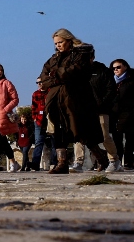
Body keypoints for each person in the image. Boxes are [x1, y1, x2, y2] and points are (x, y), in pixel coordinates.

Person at [39, 29, 107, 174]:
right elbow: (44, 77)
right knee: (58, 130)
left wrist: (56, 74)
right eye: (56, 43)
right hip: (56, 99)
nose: (58, 45)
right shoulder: (53, 58)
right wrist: (56, 76)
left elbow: (73, 71)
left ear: (69, 40)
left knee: (82, 129)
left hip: (77, 98)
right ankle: (62, 163)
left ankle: (101, 158)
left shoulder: (81, 54)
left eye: (61, 42)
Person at [73, 49, 121, 172]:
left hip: (100, 109)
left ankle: (114, 160)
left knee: (104, 136)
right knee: (79, 137)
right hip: (83, 110)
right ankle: (78, 162)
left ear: (92, 57)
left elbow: (111, 89)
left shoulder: (103, 71)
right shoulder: (77, 72)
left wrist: (101, 103)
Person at [111, 59, 133, 170]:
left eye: (118, 67)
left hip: (129, 111)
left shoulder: (131, 79)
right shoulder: (111, 81)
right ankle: (118, 161)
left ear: (125, 66)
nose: (116, 70)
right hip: (115, 112)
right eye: (114, 68)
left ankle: (129, 162)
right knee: (116, 137)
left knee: (130, 137)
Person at [30, 76, 53, 171]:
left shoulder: (50, 92)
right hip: (39, 120)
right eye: (37, 83)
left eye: (40, 82)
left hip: (50, 119)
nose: (39, 84)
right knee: (38, 142)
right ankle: (35, 163)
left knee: (54, 141)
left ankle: (54, 163)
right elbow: (33, 107)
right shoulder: (36, 94)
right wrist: (34, 118)